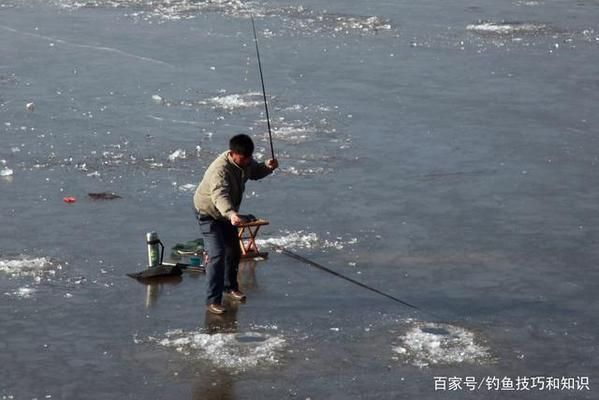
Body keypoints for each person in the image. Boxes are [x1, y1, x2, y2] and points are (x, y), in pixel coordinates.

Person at [193, 134, 278, 314]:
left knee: (234, 250)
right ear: (232, 153)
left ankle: (229, 287)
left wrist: (267, 167)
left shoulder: (245, 161)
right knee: (217, 254)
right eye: (243, 158)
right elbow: (220, 195)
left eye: (249, 158)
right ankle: (212, 300)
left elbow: (255, 172)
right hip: (208, 213)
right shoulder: (220, 170)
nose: (247, 161)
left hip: (227, 215)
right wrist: (231, 214)